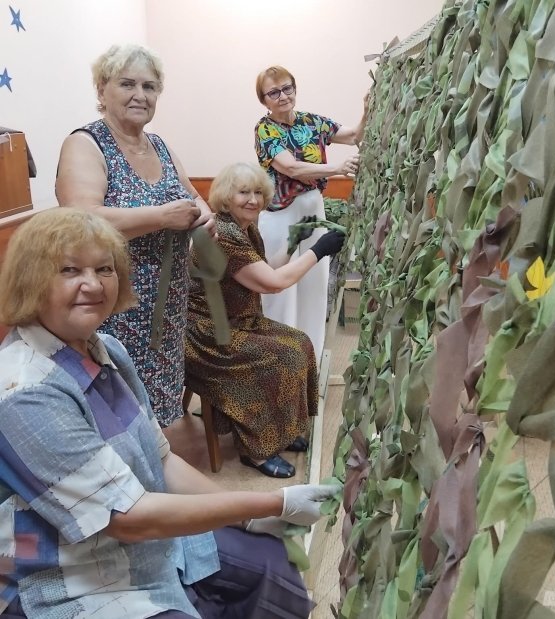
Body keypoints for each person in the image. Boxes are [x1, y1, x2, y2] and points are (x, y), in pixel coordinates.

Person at [0, 208, 338, 619]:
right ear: (31, 280)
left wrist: (249, 519)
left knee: (272, 560)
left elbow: (162, 459)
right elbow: (125, 517)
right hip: (71, 573)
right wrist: (268, 504)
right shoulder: (25, 391)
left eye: (104, 268)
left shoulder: (108, 351)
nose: (94, 284)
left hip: (144, 542)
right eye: (70, 270)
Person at [56, 44, 216, 428]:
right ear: (102, 89)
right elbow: (82, 218)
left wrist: (204, 216)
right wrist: (162, 217)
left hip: (167, 304)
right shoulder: (86, 143)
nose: (140, 95)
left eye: (149, 86)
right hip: (112, 306)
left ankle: (157, 459)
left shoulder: (159, 145)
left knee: (155, 413)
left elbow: (192, 196)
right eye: (127, 84)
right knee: (116, 415)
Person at [185, 163, 345, 479]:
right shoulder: (224, 234)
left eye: (258, 192)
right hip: (208, 333)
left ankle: (280, 430)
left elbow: (265, 269)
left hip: (238, 321)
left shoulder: (245, 228)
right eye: (244, 192)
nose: (253, 200)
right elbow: (272, 283)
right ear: (226, 197)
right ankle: (255, 451)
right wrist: (318, 250)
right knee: (279, 357)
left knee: (300, 343)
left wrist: (294, 242)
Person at [254, 65, 368, 365]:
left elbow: (354, 135)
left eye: (287, 88)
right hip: (280, 214)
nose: (282, 96)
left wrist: (367, 108)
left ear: (295, 88)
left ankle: (309, 362)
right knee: (279, 289)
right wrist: (337, 168)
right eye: (273, 92)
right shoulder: (265, 129)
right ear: (264, 100)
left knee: (314, 284)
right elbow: (291, 167)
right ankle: (279, 363)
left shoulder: (311, 122)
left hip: (312, 207)